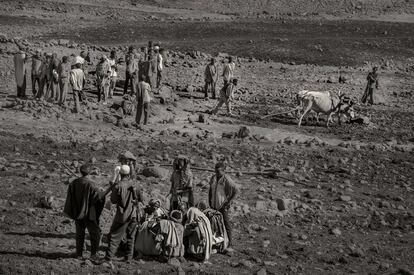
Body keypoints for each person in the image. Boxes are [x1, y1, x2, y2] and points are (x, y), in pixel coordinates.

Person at [63, 164, 106, 261]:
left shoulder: (74, 183)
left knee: (79, 234)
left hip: (77, 212)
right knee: (95, 234)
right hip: (89, 214)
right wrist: (102, 194)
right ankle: (93, 254)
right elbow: (98, 198)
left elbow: (71, 197)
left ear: (80, 172)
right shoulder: (91, 184)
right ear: (90, 172)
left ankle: (79, 254)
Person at [105, 164, 144, 263]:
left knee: (114, 237)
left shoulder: (118, 186)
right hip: (134, 215)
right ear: (129, 173)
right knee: (131, 237)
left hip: (122, 216)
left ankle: (108, 258)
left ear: (120, 174)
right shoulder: (136, 185)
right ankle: (128, 258)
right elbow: (141, 199)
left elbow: (113, 201)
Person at [208, 162, 238, 248]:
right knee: (215, 222)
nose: (217, 173)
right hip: (214, 205)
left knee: (225, 223)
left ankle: (230, 243)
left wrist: (228, 202)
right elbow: (210, 189)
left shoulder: (227, 180)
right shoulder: (213, 178)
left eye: (219, 171)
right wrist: (209, 200)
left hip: (222, 205)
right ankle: (217, 241)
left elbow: (236, 190)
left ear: (224, 171)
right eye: (216, 171)